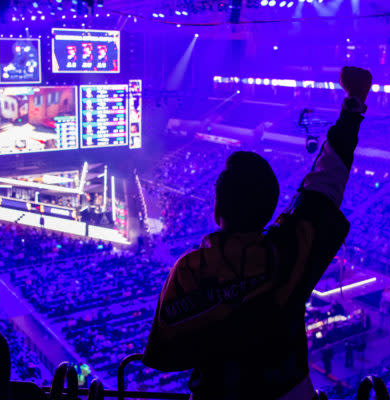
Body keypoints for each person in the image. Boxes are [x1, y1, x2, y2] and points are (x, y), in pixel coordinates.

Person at [143, 66, 373, 400]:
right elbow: (326, 183)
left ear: (217, 210)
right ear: (270, 206)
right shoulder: (291, 249)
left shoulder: (191, 271)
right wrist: (353, 104)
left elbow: (165, 352)